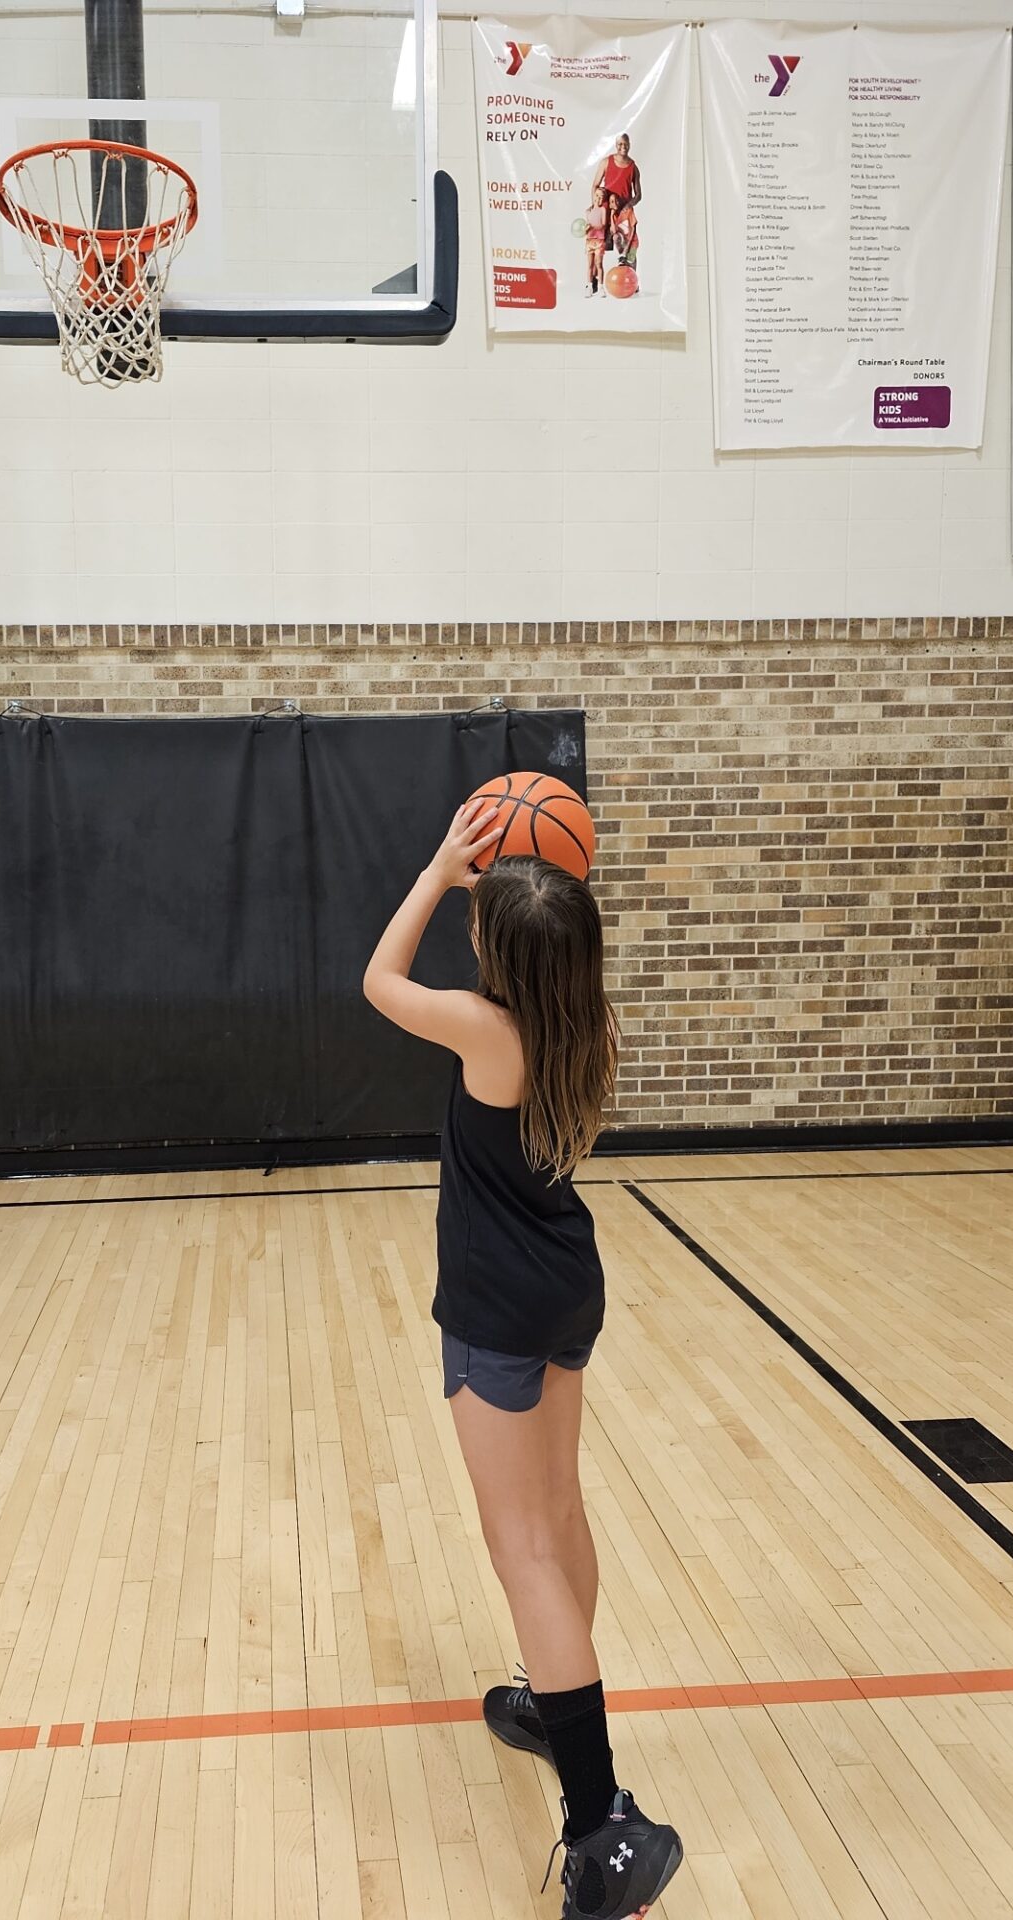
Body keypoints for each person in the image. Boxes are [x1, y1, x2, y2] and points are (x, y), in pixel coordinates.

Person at [362, 806, 683, 1920]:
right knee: (561, 1514)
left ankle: (600, 1826)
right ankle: (559, 1701)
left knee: (524, 1550)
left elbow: (378, 981)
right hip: (566, 1285)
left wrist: (437, 870)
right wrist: (506, 904)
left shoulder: (484, 1028)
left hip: (497, 1307)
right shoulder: (590, 1025)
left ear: (494, 950)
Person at [593, 134, 642, 212]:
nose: (623, 146)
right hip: (606, 210)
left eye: (626, 144)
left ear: (629, 145)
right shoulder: (606, 162)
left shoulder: (633, 168)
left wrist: (629, 205)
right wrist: (594, 205)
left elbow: (638, 195)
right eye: (620, 144)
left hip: (624, 212)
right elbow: (595, 186)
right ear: (616, 145)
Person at [583, 187, 610, 294]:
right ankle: (589, 287)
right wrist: (586, 229)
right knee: (590, 265)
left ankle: (601, 287)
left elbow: (603, 225)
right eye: (597, 195)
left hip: (599, 241)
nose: (598, 198)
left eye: (601, 197)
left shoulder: (602, 210)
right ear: (594, 196)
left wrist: (592, 226)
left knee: (599, 264)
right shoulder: (588, 211)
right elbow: (586, 228)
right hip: (589, 241)